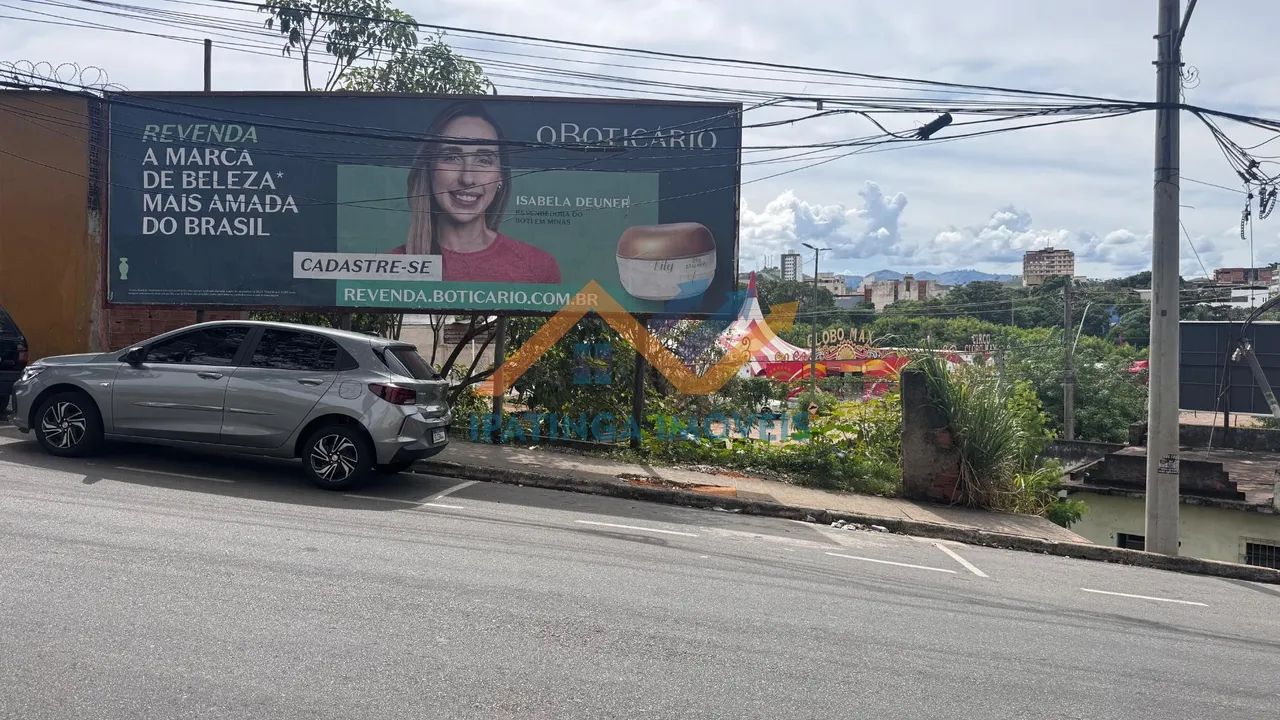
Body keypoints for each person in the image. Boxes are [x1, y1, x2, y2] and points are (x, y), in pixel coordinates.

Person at [391, 101, 560, 284]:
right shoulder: (392, 265)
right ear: (429, 169)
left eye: (484, 160)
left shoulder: (538, 267)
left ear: (501, 176)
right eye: (452, 157)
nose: (467, 178)